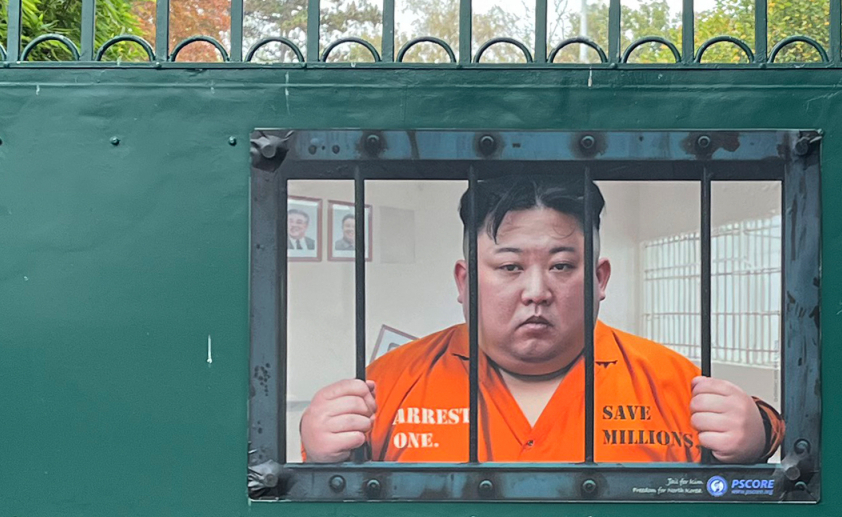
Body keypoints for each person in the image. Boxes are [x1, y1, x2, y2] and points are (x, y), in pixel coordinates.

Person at [300, 175, 783, 464]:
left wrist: (758, 436)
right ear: (466, 281)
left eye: (561, 266)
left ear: (599, 278)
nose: (536, 292)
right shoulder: (388, 387)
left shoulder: (672, 384)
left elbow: (755, 482)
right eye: (510, 267)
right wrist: (320, 459)